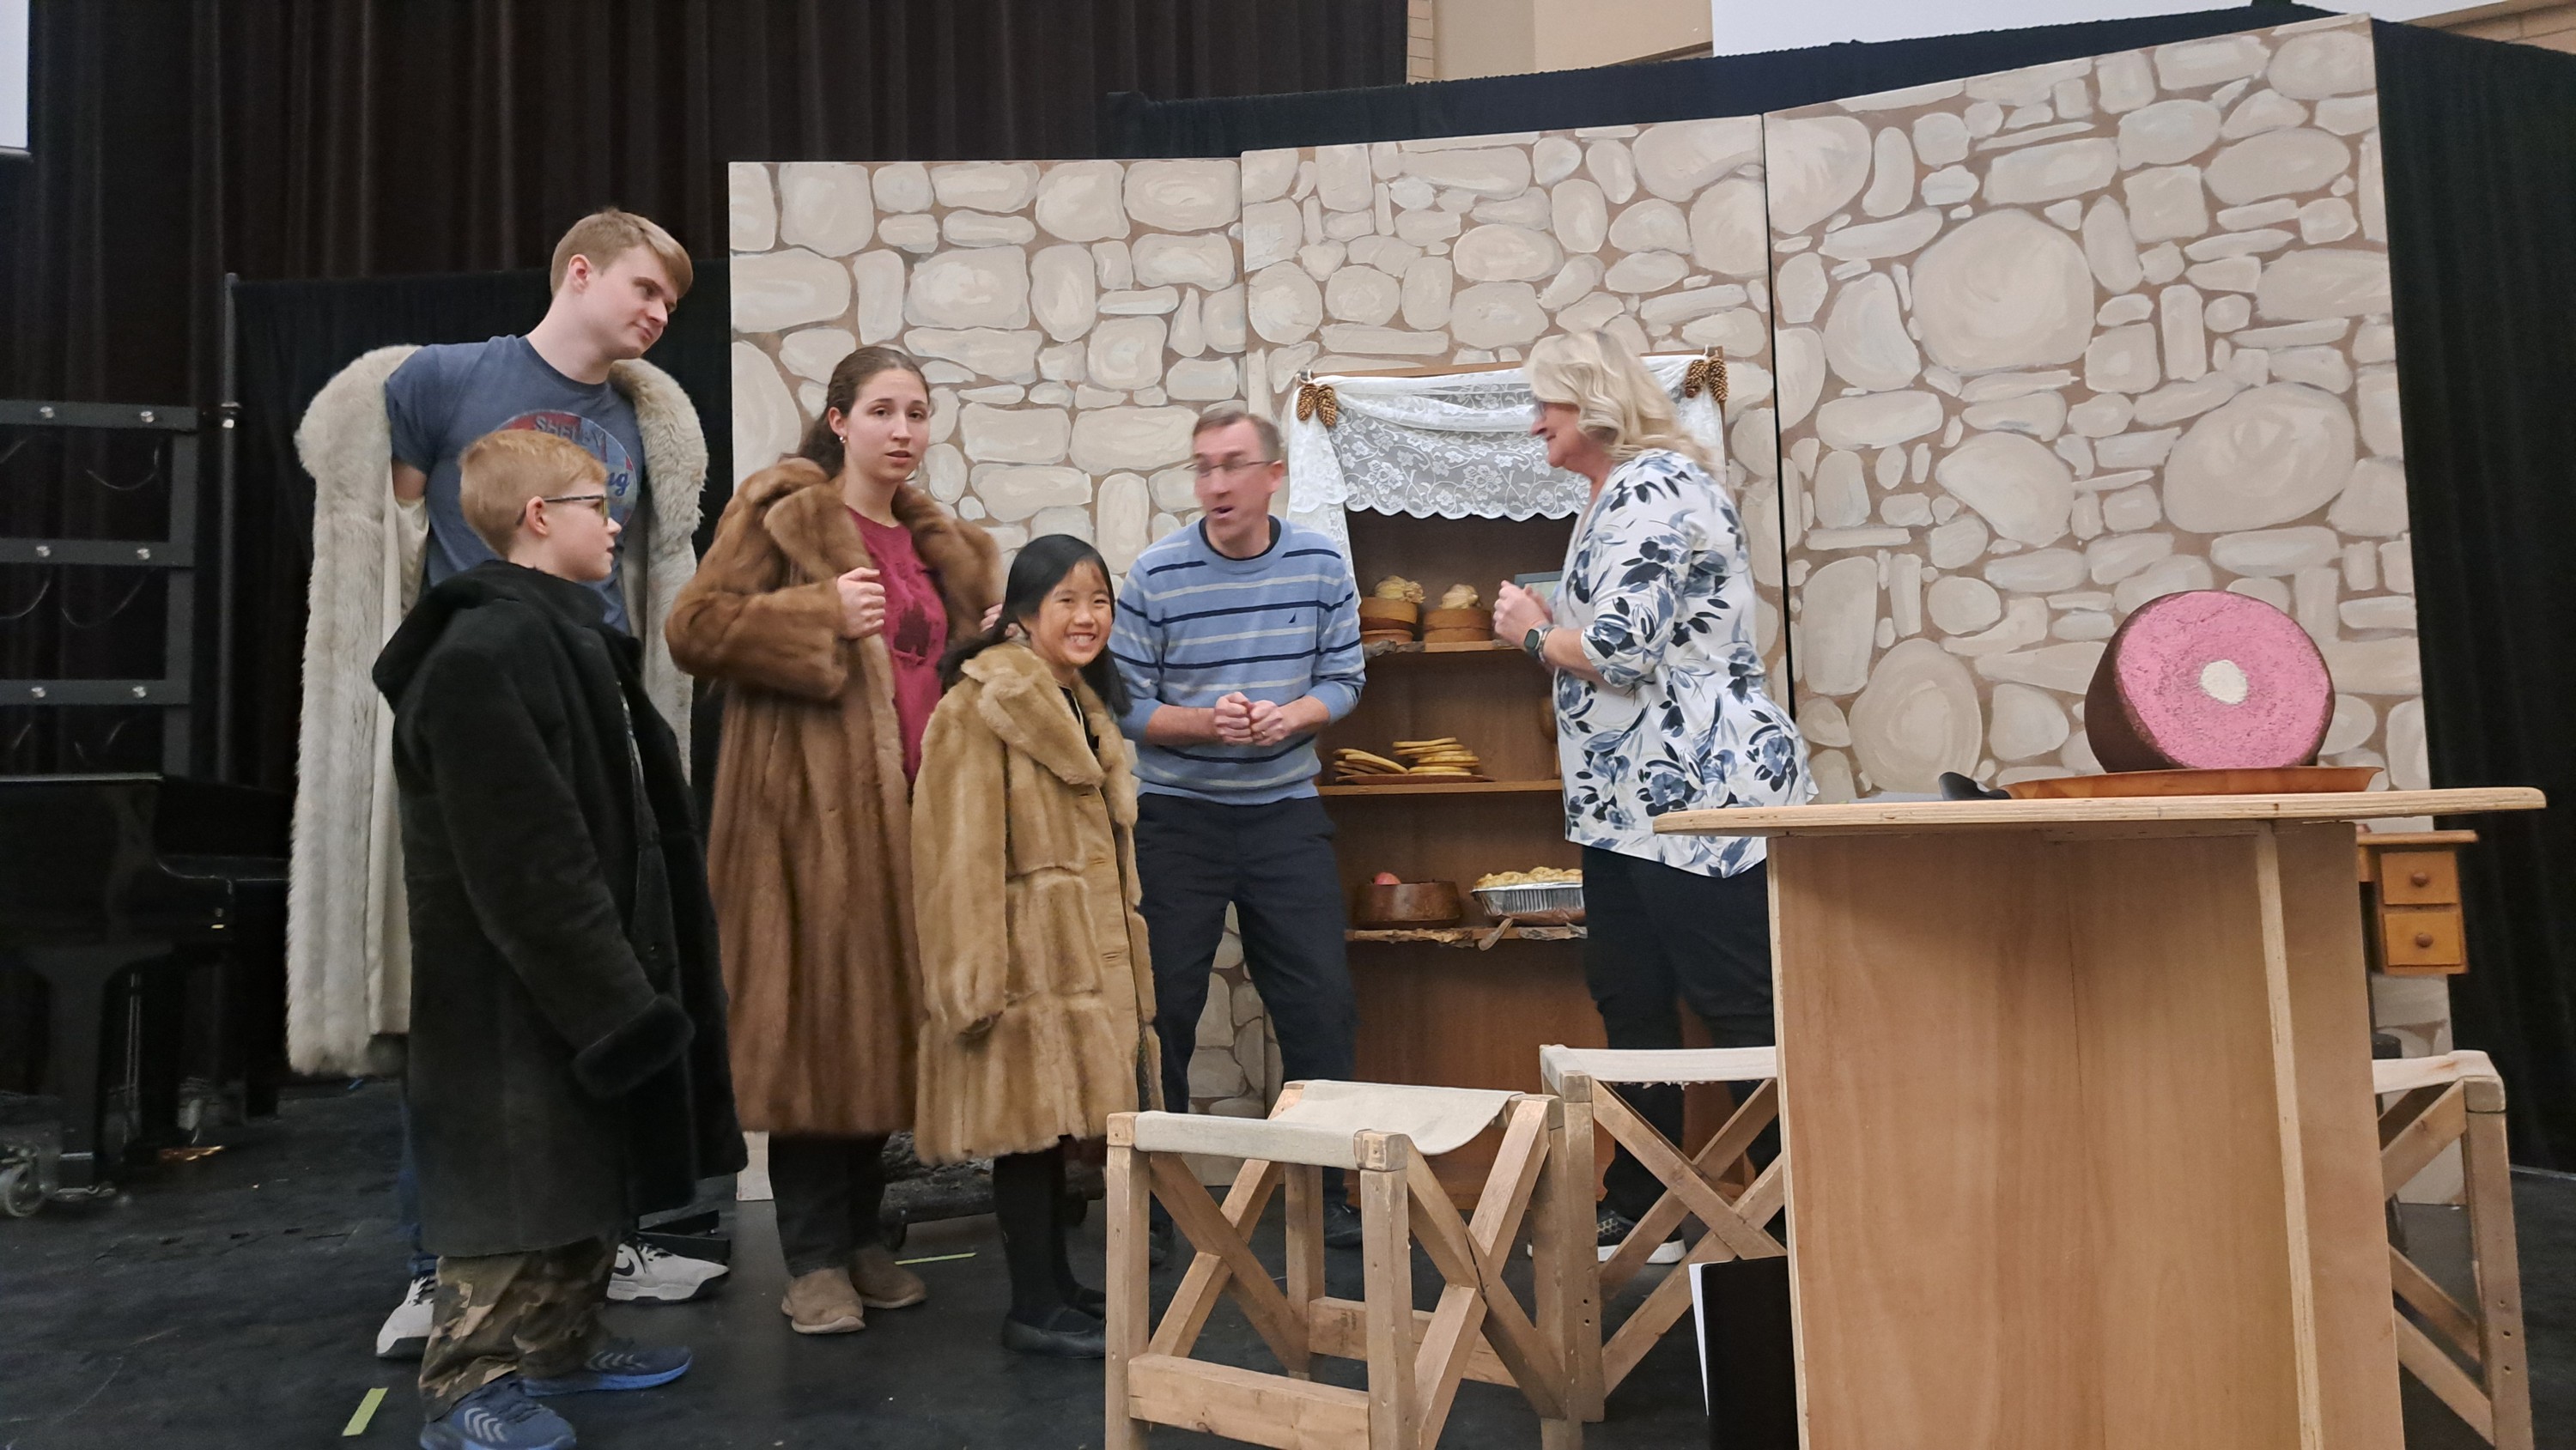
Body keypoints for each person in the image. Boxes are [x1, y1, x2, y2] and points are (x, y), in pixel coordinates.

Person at [284, 208, 726, 1359]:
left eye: (671, 301)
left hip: (592, 701)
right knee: (468, 1000)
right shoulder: (445, 381)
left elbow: (637, 566)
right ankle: (441, 1269)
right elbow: (384, 530)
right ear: (579, 272)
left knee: (600, 964)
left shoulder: (639, 416)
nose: (659, 313)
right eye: (644, 288)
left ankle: (586, 1263)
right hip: (486, 701)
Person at [374, 429, 743, 1450]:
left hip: (589, 972)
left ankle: (560, 1343)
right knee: (511, 1180)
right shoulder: (483, 655)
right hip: (514, 986)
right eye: (595, 502)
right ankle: (466, 1386)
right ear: (538, 516)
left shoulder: (569, 640)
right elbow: (523, 859)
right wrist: (613, 1002)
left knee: (580, 1166)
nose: (614, 522)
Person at [667, 345, 1001, 1335]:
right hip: (805, 824)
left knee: (888, 1034)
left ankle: (862, 1236)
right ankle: (811, 1259)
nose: (903, 430)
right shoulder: (781, 513)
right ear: (840, 419)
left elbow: (943, 678)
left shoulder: (941, 545)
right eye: (884, 410)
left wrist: (995, 642)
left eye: (918, 412)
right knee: (818, 1034)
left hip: (922, 822)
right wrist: (815, 612)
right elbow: (694, 629)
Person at [1491, 331, 1813, 1259]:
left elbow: (1621, 651)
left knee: (1735, 1003)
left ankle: (1797, 1219)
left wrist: (1529, 631)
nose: (1534, 424)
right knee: (1631, 998)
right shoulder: (1610, 495)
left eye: (1545, 404)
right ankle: (1645, 1201)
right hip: (1626, 803)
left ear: (1593, 404)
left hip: (1698, 793)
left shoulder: (1653, 487)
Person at [1108, 404, 1367, 1251]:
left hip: (1285, 812)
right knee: (1163, 1014)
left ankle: (1328, 1194)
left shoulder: (1321, 566)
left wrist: (1292, 716)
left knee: (1321, 1005)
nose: (1214, 483)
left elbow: (1344, 678)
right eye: (1202, 467)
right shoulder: (1156, 575)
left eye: (1231, 465)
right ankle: (1158, 1207)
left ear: (1273, 476)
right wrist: (1204, 724)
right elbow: (1124, 705)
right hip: (1177, 818)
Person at [911, 534, 1160, 1359]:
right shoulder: (980, 706)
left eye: (1100, 601)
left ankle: (1054, 1285)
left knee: (1055, 1130)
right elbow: (955, 851)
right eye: (1067, 601)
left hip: (1073, 960)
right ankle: (1032, 1306)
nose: (1087, 617)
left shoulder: (1078, 700)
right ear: (1022, 613)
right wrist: (971, 976)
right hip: (1018, 961)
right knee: (1025, 1130)